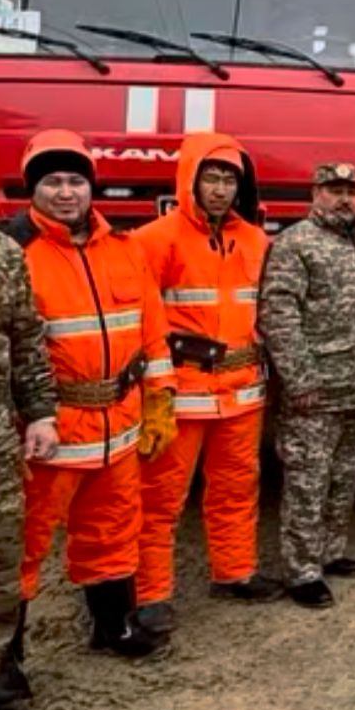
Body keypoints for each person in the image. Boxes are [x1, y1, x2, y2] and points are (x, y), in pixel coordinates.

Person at [10, 129, 175, 656]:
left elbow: (152, 332)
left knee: (113, 530)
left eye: (76, 181)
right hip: (46, 432)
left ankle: (113, 627)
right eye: (53, 181)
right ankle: (6, 659)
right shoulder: (12, 254)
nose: (66, 192)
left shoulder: (123, 249)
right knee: (19, 545)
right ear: (33, 189)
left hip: (118, 428)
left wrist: (160, 400)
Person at [131, 133, 281, 635]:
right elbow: (138, 319)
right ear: (190, 181)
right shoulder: (153, 240)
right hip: (181, 392)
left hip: (242, 392)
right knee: (160, 498)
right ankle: (149, 594)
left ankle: (235, 572)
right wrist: (154, 391)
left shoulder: (257, 241)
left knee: (237, 488)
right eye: (211, 179)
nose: (220, 189)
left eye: (228, 181)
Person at [258, 163, 355, 609]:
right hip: (316, 392)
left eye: (351, 190)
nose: (344, 199)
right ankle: (301, 571)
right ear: (316, 193)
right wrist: (300, 378)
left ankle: (330, 552)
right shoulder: (295, 243)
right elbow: (278, 315)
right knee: (307, 482)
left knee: (344, 477)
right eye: (334, 190)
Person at [0, 232, 57, 707]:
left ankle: (0, 660)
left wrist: (39, 413)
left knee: (2, 551)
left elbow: (26, 340)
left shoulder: (4, 254)